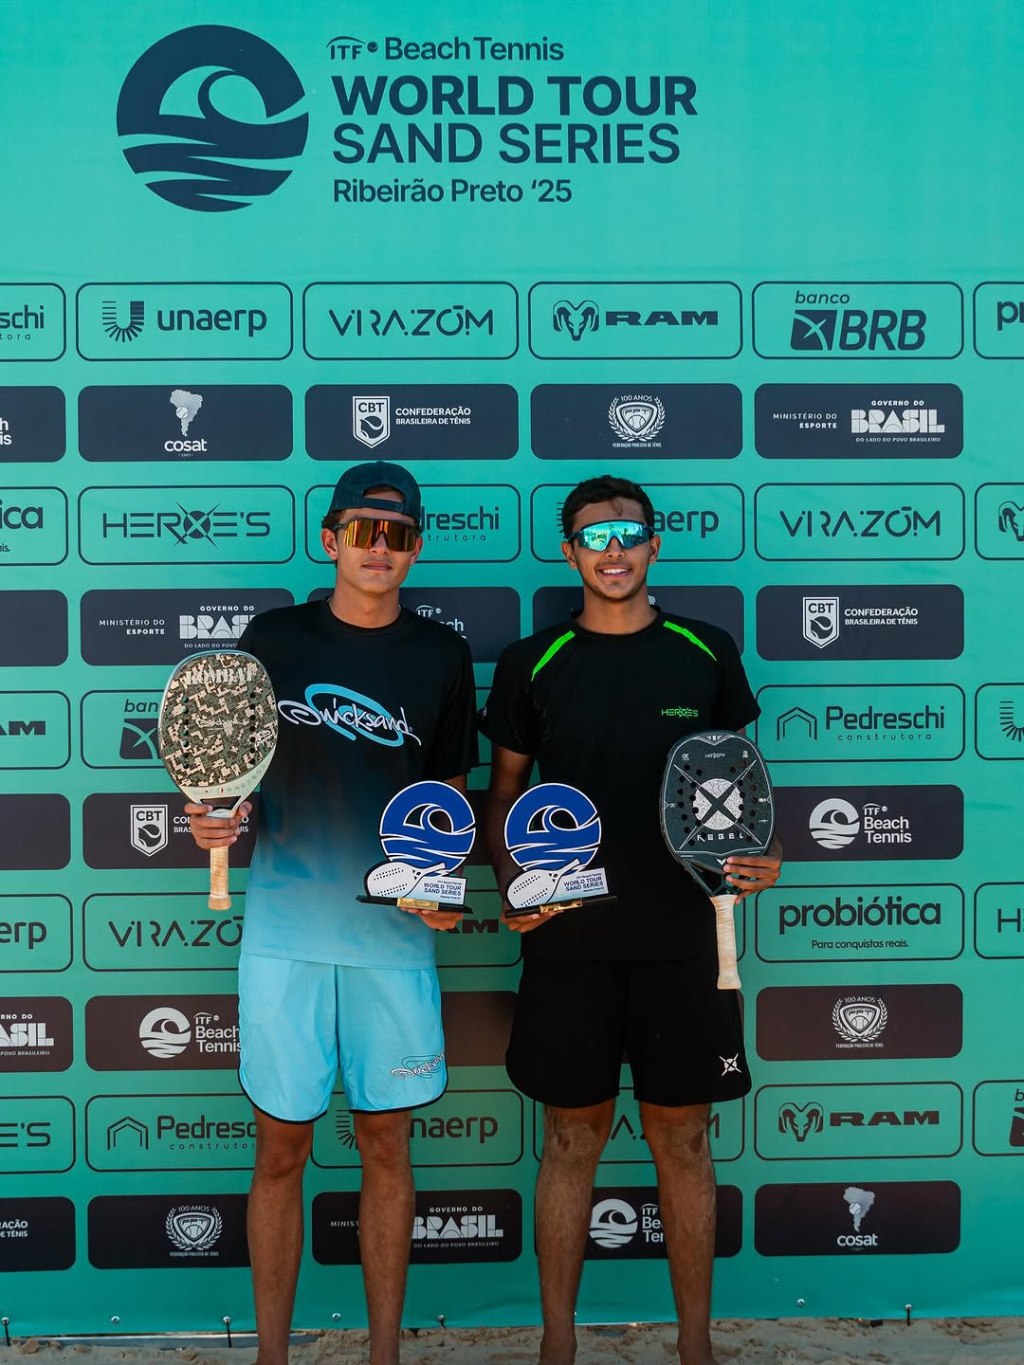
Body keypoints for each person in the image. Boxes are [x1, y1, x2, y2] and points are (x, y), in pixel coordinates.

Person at [479, 474, 782, 1365]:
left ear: (654, 546)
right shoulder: (532, 662)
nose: (614, 551)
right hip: (569, 940)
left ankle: (696, 1347)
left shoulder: (705, 650)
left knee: (683, 1139)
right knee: (571, 1137)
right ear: (569, 553)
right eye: (594, 537)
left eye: (629, 533)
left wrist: (767, 853)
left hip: (684, 940)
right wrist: (510, 882)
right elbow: (502, 796)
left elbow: (741, 786)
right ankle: (558, 1344)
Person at [186, 461, 476, 1365]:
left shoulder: (440, 656)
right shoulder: (272, 639)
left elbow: (448, 800)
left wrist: (445, 882)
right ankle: (274, 1355)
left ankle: (383, 1353)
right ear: (331, 540)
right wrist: (216, 816)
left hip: (392, 939)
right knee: (280, 1150)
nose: (378, 548)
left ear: (416, 547)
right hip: (283, 933)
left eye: (396, 534)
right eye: (362, 530)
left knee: (386, 1146)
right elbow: (230, 772)